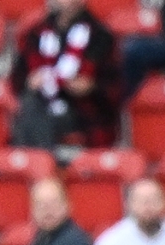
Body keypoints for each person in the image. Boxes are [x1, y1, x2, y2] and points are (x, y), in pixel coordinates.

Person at [10, 0, 122, 149]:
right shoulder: (37, 33)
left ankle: (33, 160)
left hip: (82, 111)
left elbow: (115, 86)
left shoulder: (100, 37)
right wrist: (29, 81)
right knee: (31, 106)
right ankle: (38, 159)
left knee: (32, 115)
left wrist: (91, 87)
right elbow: (17, 77)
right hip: (42, 102)